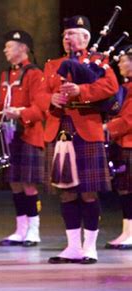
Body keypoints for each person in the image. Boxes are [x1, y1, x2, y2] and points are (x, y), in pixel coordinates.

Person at [43, 16, 119, 264]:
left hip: (86, 130)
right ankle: (73, 247)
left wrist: (81, 91)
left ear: (86, 37)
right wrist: (51, 100)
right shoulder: (52, 64)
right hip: (59, 130)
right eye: (65, 34)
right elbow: (41, 95)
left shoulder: (99, 61)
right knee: (66, 192)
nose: (67, 38)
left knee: (88, 192)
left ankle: (90, 247)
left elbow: (111, 87)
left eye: (73, 33)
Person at [0, 30, 48, 247]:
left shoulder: (34, 74)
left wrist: (20, 113)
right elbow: (6, 103)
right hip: (10, 136)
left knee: (29, 185)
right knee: (14, 184)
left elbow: (40, 109)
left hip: (28, 134)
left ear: (23, 48)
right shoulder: (6, 75)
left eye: (9, 46)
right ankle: (20, 230)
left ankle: (34, 230)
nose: (5, 50)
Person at [105, 45, 132, 249]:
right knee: (124, 190)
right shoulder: (125, 87)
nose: (120, 64)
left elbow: (129, 119)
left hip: (130, 143)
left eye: (124, 60)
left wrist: (106, 127)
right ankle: (127, 231)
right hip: (123, 143)